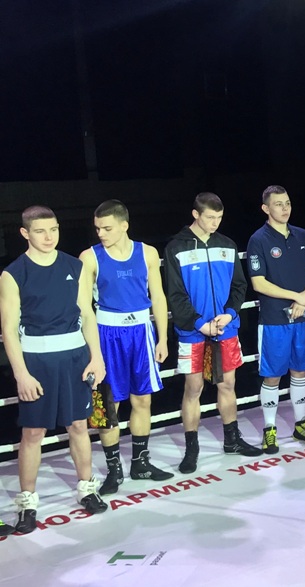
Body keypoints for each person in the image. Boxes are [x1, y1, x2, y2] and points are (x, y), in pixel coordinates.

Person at [1, 206, 108, 533]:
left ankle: (87, 489)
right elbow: (9, 329)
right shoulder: (13, 274)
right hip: (36, 362)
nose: (49, 237)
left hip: (75, 358)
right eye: (40, 231)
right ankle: (27, 503)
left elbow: (87, 314)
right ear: (25, 233)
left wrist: (97, 357)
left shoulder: (75, 266)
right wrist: (21, 374)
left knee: (78, 425)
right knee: (33, 433)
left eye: (54, 229)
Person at [79, 200, 173, 496]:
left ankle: (140, 463)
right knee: (109, 406)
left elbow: (158, 296)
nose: (101, 233)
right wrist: (94, 352)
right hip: (107, 335)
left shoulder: (148, 253)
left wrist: (163, 338)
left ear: (124, 225)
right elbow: (84, 307)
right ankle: (113, 469)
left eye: (107, 228)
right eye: (97, 228)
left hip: (141, 333)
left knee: (142, 400)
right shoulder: (89, 257)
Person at [164, 192, 263, 474]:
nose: (215, 223)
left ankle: (232, 440)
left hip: (225, 329)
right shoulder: (176, 248)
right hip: (192, 332)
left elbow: (239, 286)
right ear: (195, 214)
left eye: (219, 217)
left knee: (228, 385)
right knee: (193, 388)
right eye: (210, 217)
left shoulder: (227, 245)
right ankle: (191, 448)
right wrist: (199, 323)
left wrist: (229, 313)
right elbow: (175, 294)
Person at [247, 185, 305, 454]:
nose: (285, 208)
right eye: (278, 204)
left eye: (288, 202)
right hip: (274, 319)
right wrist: (297, 296)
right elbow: (258, 283)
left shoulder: (302, 235)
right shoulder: (258, 239)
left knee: (301, 370)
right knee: (272, 375)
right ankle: (270, 429)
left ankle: (301, 423)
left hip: (303, 315)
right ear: (266, 208)